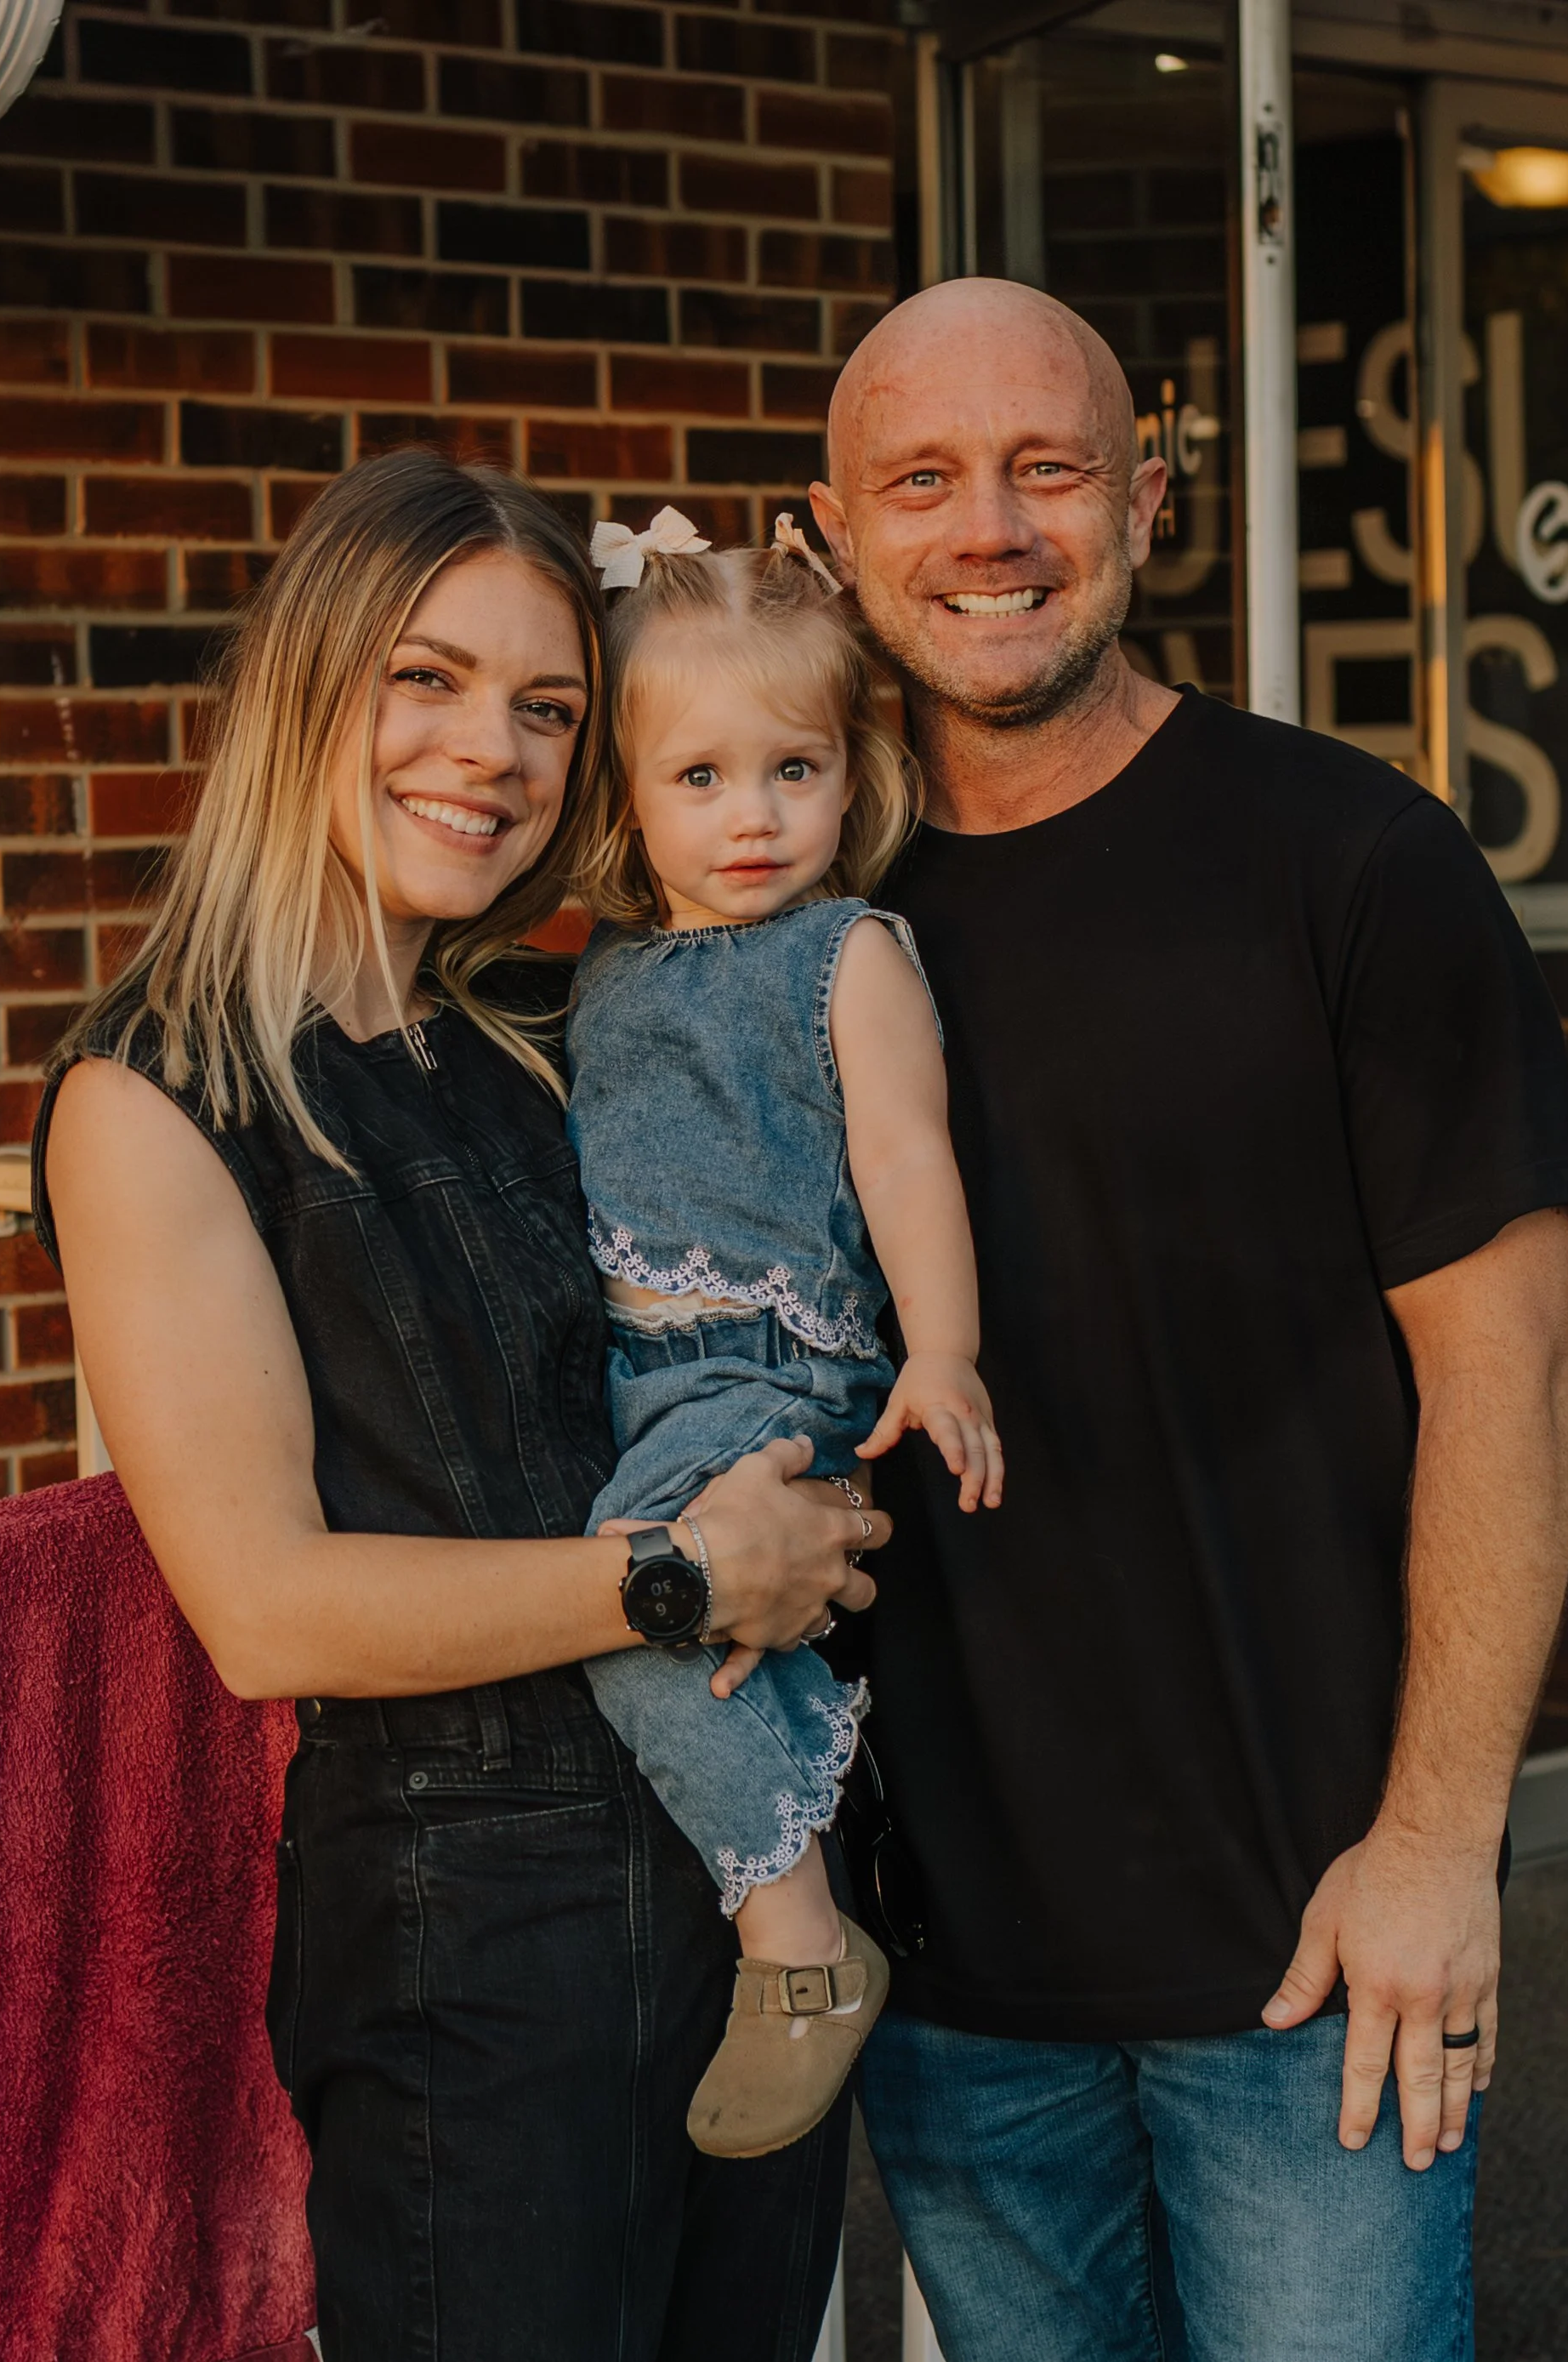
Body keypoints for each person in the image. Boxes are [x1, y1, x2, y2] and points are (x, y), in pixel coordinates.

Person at [35, 449, 885, 2361]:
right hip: (471, 1955)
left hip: (738, 1887)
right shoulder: (155, 1101)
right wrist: (682, 1578)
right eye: (425, 678)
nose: (486, 749)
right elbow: (265, 1603)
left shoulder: (540, 1040)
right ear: (305, 682)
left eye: (544, 705)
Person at [807, 279, 1568, 2359]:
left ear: (1144, 501)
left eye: (1045, 467)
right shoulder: (791, 926)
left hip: (1311, 1943)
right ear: (830, 534)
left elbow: (1506, 1366)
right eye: (924, 480)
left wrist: (1435, 1840)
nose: (990, 527)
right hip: (957, 1975)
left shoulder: (1351, 862)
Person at [563, 510, 1003, 2160]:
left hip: (769, 1368)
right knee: (640, 1608)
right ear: (623, 792)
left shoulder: (847, 955)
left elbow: (904, 1157)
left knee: (627, 1599)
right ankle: (779, 1847)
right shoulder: (609, 966)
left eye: (792, 770)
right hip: (640, 1374)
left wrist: (940, 1350)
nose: (752, 818)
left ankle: (800, 1937)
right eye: (699, 777)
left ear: (847, 770)